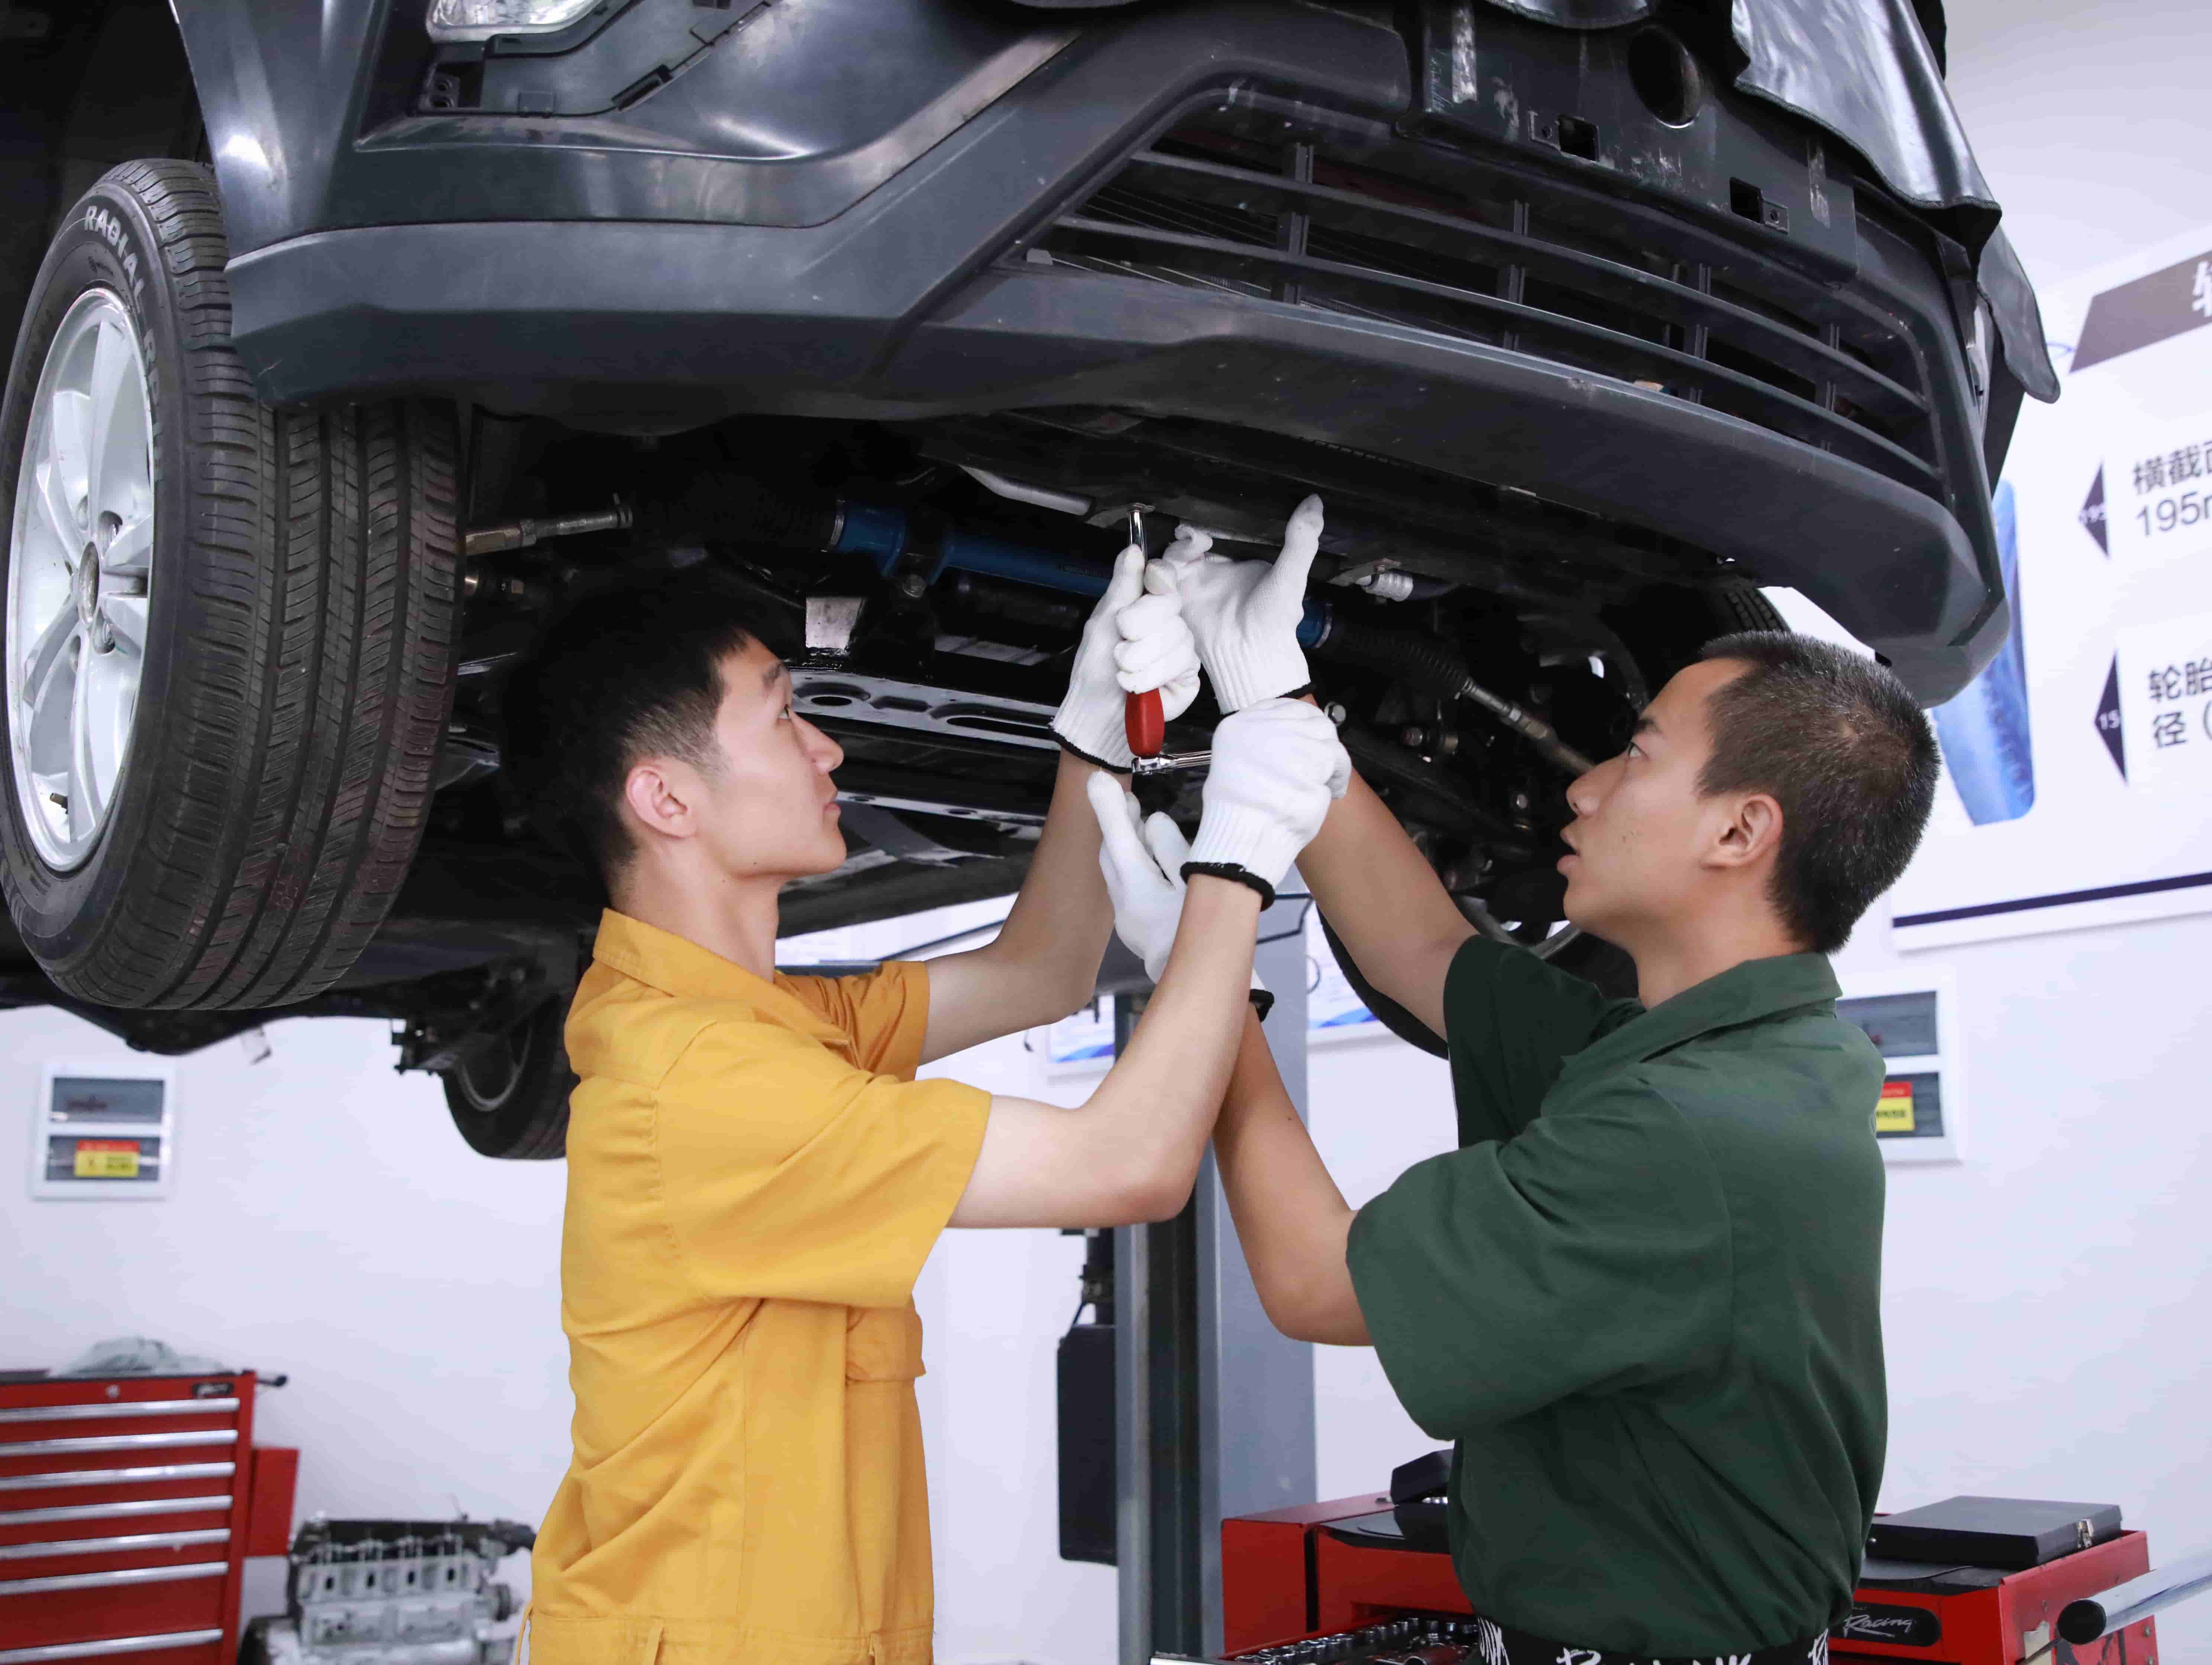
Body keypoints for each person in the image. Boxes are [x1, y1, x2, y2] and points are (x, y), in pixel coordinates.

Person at [1096, 501, 1941, 1665]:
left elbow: (1314, 1282)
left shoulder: (1689, 1130)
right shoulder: (1742, 1058)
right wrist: (1272, 701)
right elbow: (1426, 952)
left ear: (1741, 833)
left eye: (1638, 756)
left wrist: (1211, 981)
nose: (1584, 788)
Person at [497, 553, 1346, 1665]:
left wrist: (1090, 737)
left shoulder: (755, 1025)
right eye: (784, 717)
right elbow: (1127, 1165)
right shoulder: (701, 1084)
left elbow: (1040, 972)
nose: (828, 749)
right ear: (667, 799)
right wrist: (1236, 866)